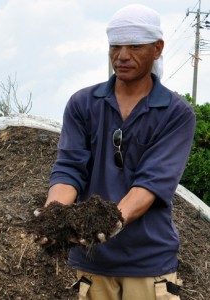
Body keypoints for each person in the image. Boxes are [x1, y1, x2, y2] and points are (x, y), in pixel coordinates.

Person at [45, 4, 196, 300]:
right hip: (91, 263)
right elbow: (70, 168)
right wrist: (54, 215)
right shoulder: (83, 104)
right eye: (116, 45)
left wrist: (109, 221)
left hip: (148, 263)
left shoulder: (176, 113)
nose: (122, 55)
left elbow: (152, 182)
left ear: (157, 48)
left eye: (135, 46)